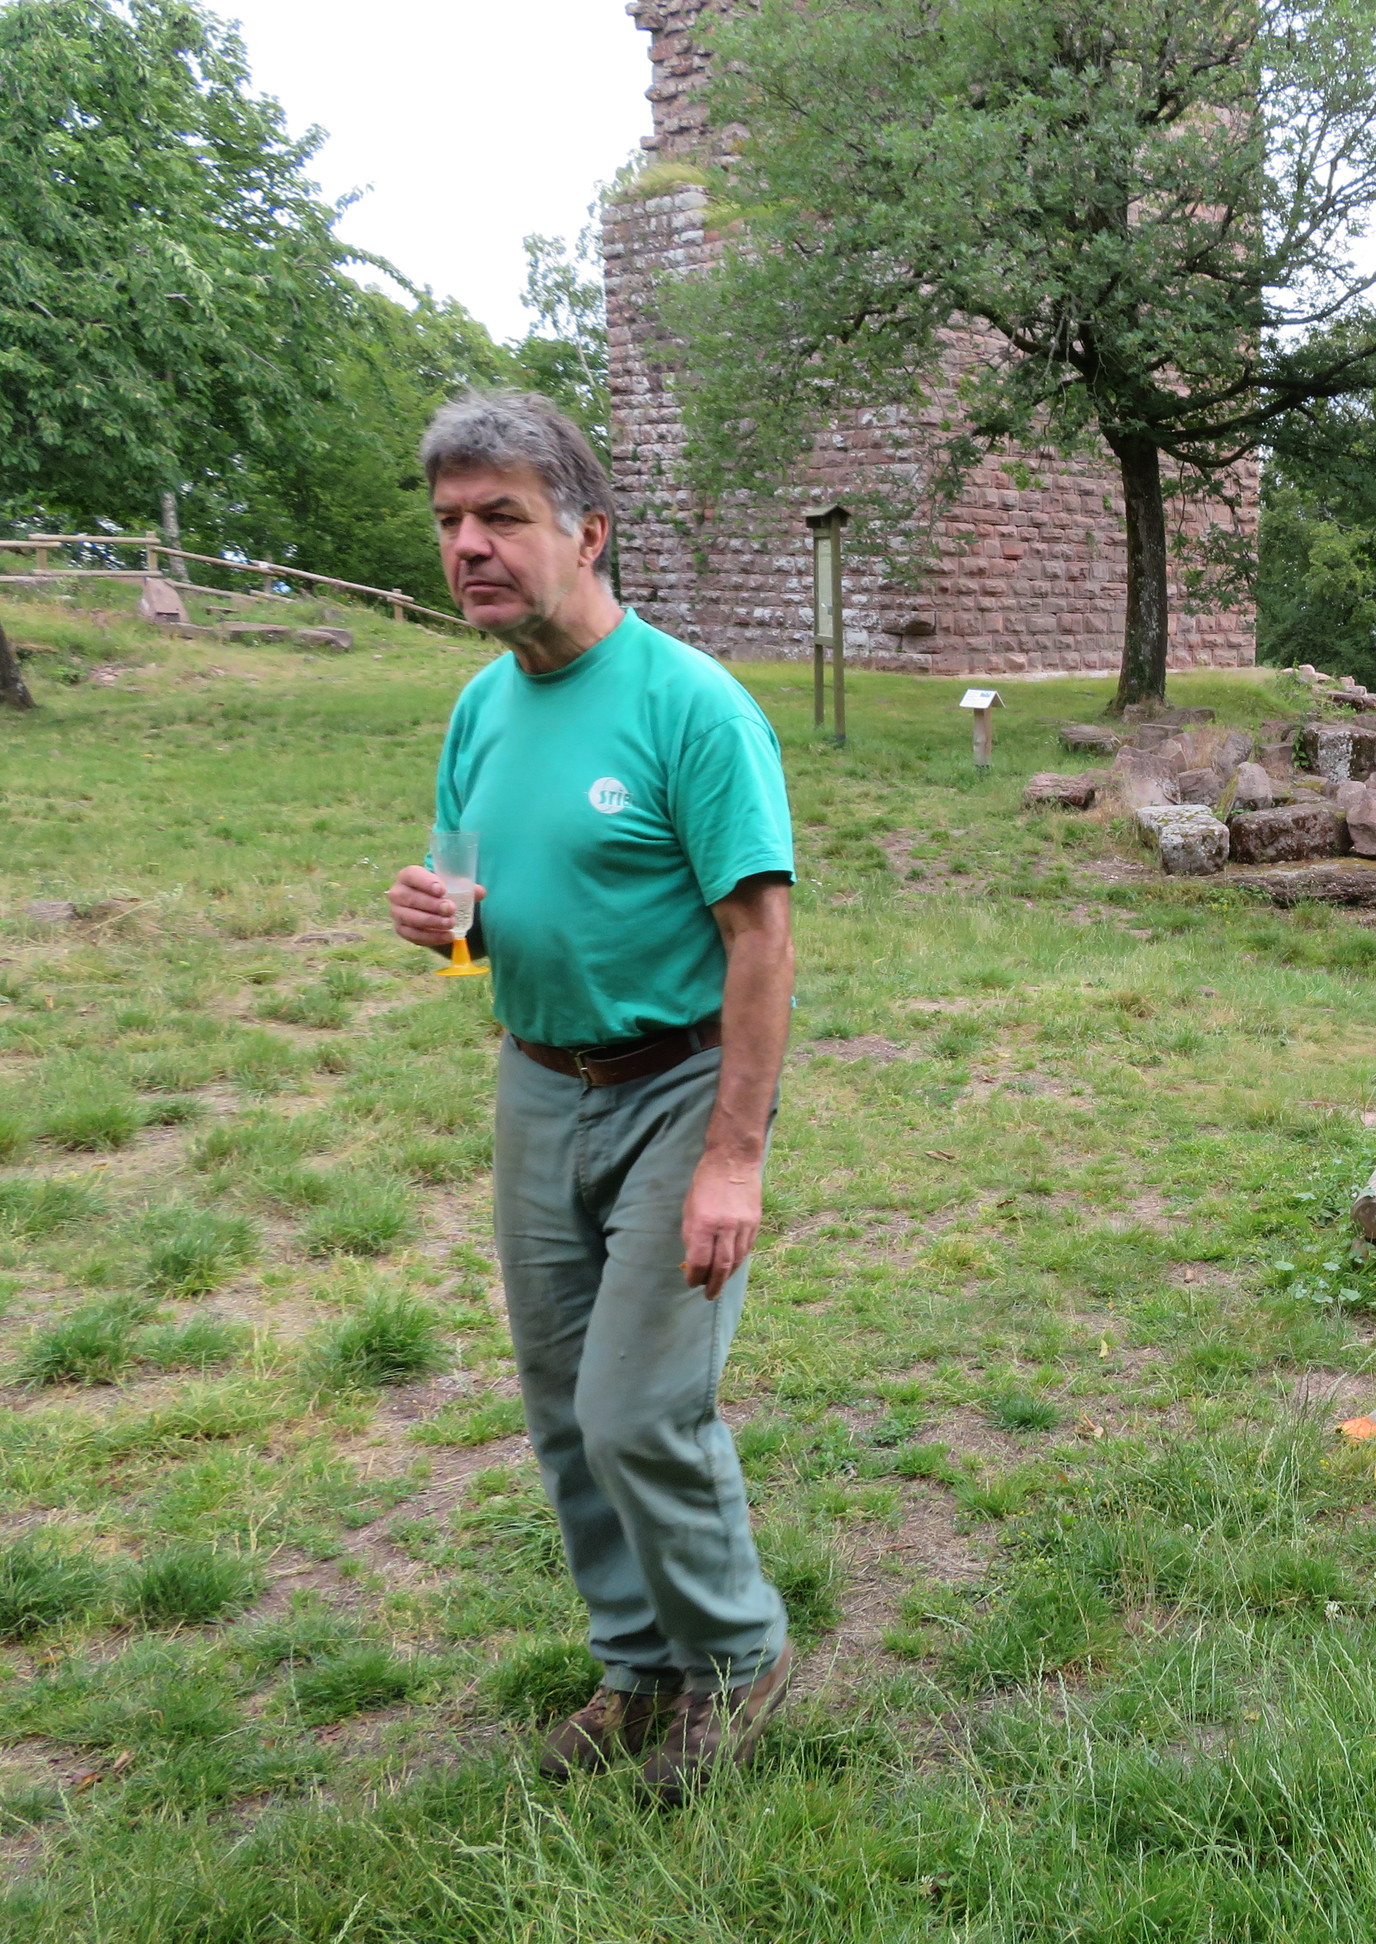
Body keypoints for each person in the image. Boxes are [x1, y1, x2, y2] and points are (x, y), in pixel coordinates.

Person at [385, 391, 799, 1798]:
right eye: (450, 521)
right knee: (564, 1405)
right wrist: (442, 926)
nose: (469, 546)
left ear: (588, 531)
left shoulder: (692, 706)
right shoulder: (479, 708)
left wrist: (732, 1158)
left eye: (501, 516)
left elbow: (761, 940)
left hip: (679, 1087)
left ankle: (736, 1661)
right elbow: (468, 930)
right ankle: (638, 1667)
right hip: (537, 1084)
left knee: (637, 1409)